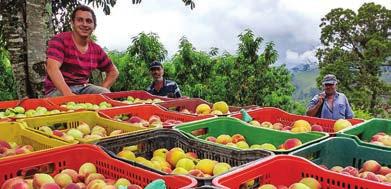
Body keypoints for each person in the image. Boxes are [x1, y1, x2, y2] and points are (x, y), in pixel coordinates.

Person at [44, 5, 119, 97]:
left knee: (105, 94)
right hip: (57, 89)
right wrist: (68, 94)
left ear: (94, 26)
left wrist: (104, 89)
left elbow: (113, 71)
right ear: (72, 23)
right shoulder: (60, 40)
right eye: (80, 20)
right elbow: (52, 68)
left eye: (89, 21)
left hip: (83, 87)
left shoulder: (96, 49)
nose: (84, 24)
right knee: (68, 107)